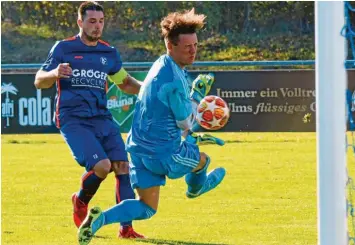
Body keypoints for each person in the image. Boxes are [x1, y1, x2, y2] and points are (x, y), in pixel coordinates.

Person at [77, 8, 226, 245]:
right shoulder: (175, 81)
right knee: (203, 162)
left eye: (196, 45)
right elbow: (187, 123)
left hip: (137, 149)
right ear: (170, 45)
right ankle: (195, 190)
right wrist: (197, 95)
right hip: (164, 153)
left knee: (147, 207)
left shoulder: (160, 64)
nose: (193, 51)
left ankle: (99, 220)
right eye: (187, 46)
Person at [34, 1, 145, 239]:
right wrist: (54, 73)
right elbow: (38, 80)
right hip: (73, 119)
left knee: (122, 167)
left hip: (102, 118)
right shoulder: (63, 48)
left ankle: (126, 228)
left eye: (101, 21)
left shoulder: (109, 53)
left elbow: (124, 82)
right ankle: (80, 200)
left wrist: (147, 89)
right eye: (92, 21)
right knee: (102, 167)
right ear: (80, 22)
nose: (97, 26)